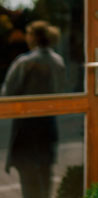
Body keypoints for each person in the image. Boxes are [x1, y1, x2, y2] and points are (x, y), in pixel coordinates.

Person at [1, 20, 66, 198]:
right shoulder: (58, 61)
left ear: (34, 37)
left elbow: (8, 92)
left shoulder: (25, 62)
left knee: (28, 178)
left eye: (28, 33)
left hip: (26, 126)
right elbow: (61, 90)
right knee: (45, 175)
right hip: (48, 124)